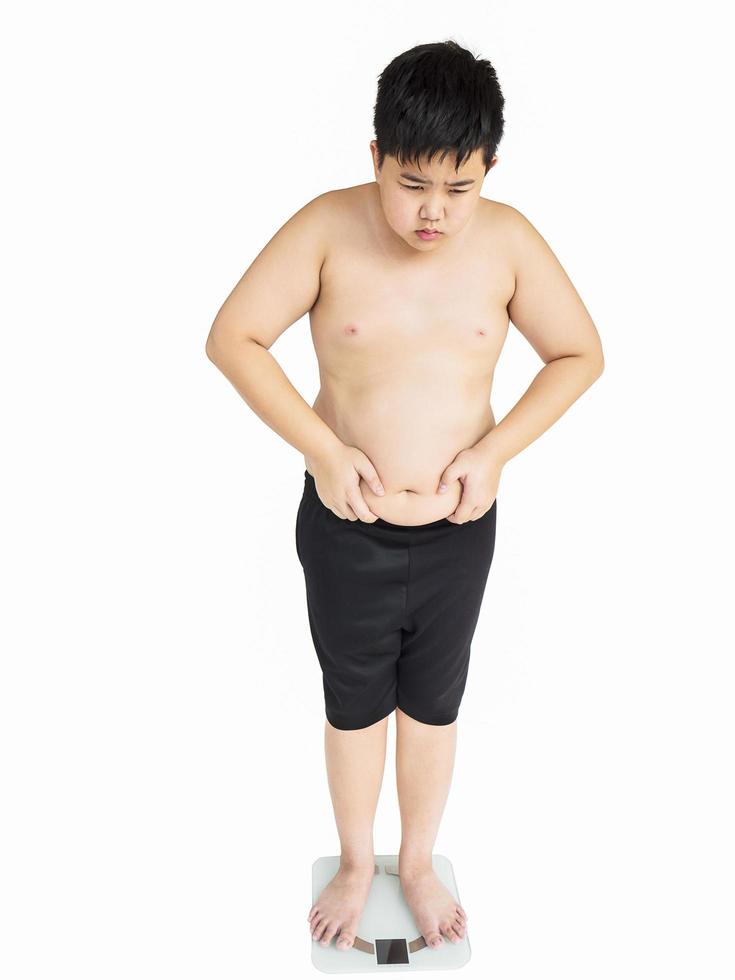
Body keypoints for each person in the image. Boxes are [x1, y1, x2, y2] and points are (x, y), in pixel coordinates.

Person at [205, 38, 604, 954]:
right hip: (345, 526)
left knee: (433, 701)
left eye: (457, 190)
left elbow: (579, 352)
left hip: (460, 528)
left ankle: (417, 862)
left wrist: (497, 452)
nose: (433, 212)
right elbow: (234, 337)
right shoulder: (324, 227)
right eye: (412, 183)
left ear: (488, 170)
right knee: (353, 702)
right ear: (375, 156)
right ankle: (354, 862)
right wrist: (322, 448)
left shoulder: (506, 241)